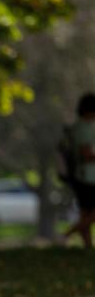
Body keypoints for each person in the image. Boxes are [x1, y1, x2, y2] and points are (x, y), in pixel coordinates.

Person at [64, 93, 95, 248]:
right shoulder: (83, 128)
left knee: (86, 213)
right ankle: (65, 235)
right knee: (88, 214)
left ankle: (87, 247)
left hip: (84, 175)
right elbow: (86, 154)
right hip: (86, 176)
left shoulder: (83, 126)